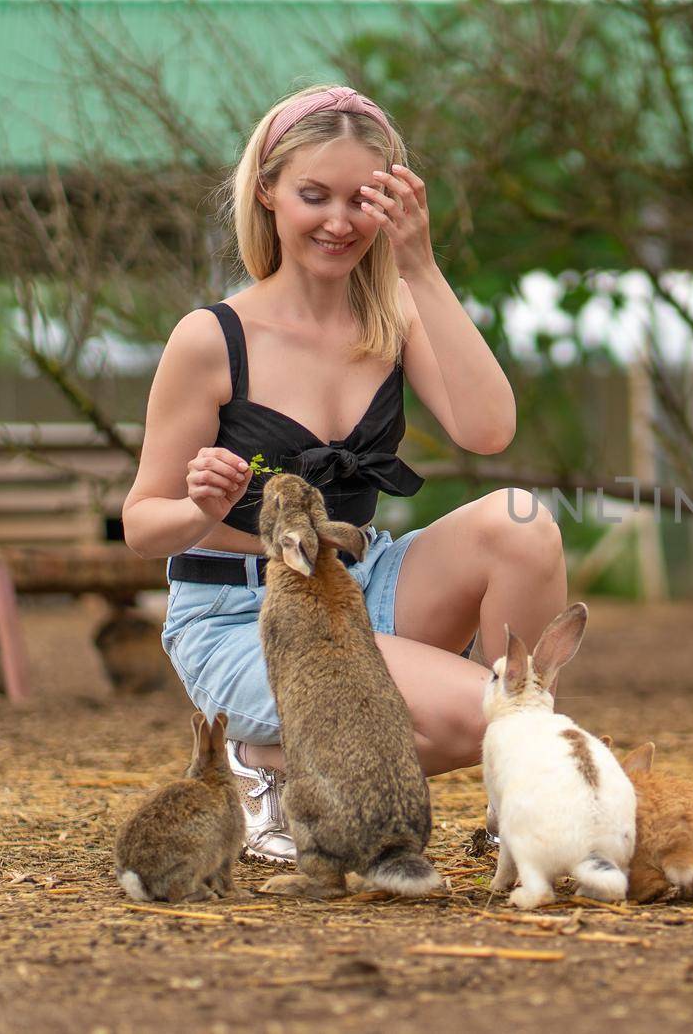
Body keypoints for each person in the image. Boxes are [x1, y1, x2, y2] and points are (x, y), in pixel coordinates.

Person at [122, 84, 568, 863]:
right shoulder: (211, 338)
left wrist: (421, 267)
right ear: (266, 193)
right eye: (312, 195)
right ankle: (264, 763)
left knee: (522, 523)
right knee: (496, 715)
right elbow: (139, 525)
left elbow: (488, 428)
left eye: (361, 198)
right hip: (242, 615)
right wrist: (200, 506)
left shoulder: (394, 311)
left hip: (362, 585)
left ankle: (512, 823)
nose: (339, 221)